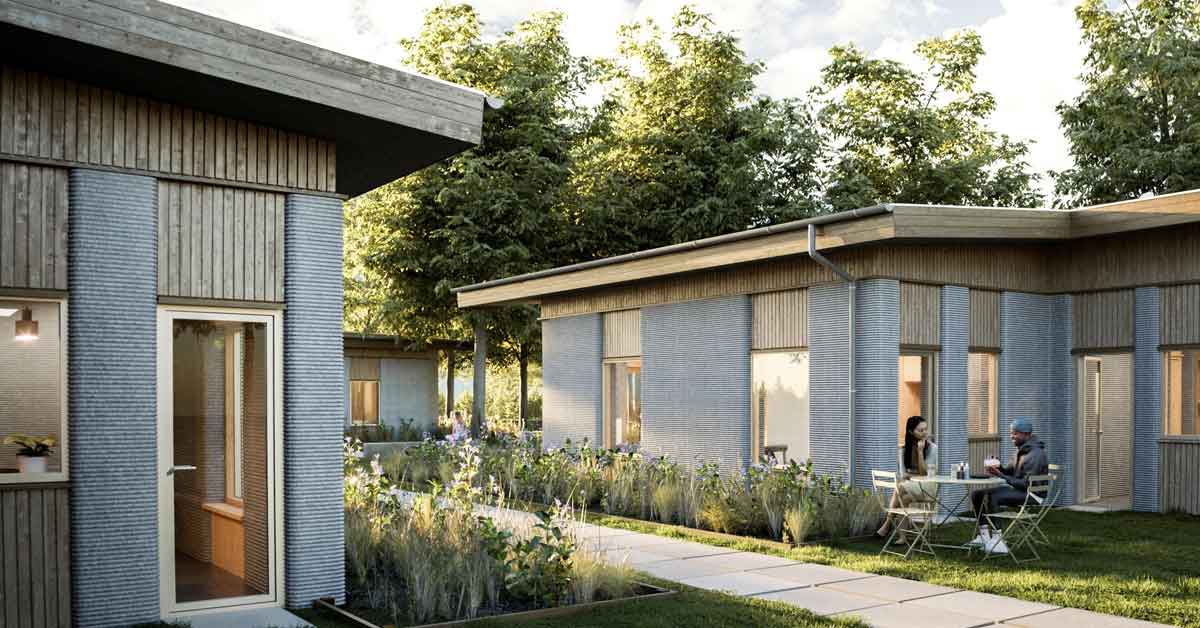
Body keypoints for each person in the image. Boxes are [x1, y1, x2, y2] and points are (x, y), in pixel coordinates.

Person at [970, 417, 1049, 552]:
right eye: (1011, 433)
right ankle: (984, 536)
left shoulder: (1035, 454)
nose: (1011, 436)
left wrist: (1001, 475)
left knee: (993, 497)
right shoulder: (1021, 451)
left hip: (1032, 494)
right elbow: (1009, 472)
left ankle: (998, 540)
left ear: (1026, 434)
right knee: (977, 494)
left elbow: (1026, 484)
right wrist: (998, 467)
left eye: (1015, 433)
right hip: (1019, 490)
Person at [877, 416, 939, 540]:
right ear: (911, 431)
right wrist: (913, 476)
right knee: (903, 498)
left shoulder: (932, 448)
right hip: (910, 486)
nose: (924, 433)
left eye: (925, 429)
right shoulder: (903, 450)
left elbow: (925, 474)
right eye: (920, 430)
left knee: (899, 487)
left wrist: (920, 452)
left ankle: (887, 524)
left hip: (928, 488)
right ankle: (902, 537)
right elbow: (903, 474)